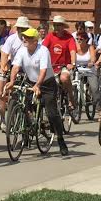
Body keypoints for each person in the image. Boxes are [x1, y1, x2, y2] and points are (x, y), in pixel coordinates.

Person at [11, 26, 68, 155]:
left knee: (52, 113)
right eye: (24, 37)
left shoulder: (43, 51)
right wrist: (11, 81)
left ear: (35, 41)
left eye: (28, 38)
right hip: (32, 82)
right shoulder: (22, 51)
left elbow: (43, 71)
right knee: (22, 104)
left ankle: (60, 140)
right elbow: (15, 68)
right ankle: (26, 132)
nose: (24, 39)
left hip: (47, 83)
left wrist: (38, 85)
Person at [42, 15, 78, 105]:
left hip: (64, 66)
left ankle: (71, 97)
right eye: (55, 25)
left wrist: (73, 63)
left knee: (64, 78)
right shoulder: (50, 36)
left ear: (63, 26)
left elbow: (72, 51)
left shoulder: (69, 37)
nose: (57, 27)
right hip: (51, 66)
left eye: (59, 25)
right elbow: (42, 49)